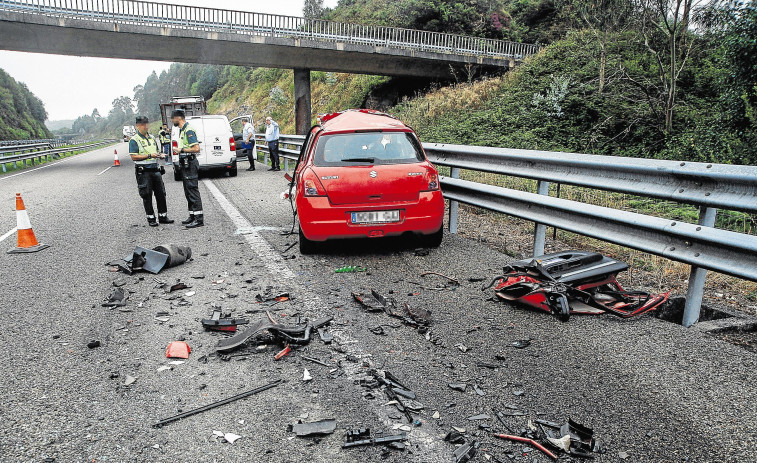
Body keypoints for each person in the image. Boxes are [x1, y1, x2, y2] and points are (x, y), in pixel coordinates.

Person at [129, 116, 173, 227]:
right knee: (146, 195)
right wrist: (149, 155)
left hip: (155, 169)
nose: (145, 126)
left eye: (147, 124)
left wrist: (160, 155)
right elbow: (134, 157)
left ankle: (163, 216)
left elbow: (156, 151)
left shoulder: (152, 138)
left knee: (161, 194)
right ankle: (151, 218)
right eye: (143, 124)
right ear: (137, 126)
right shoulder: (134, 140)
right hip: (143, 172)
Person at [171, 109, 204, 228]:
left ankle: (199, 219)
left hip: (190, 163)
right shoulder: (182, 130)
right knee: (188, 191)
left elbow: (196, 148)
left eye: (172, 118)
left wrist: (182, 150)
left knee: (192, 190)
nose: (171, 120)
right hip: (185, 163)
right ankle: (192, 215)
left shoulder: (189, 130)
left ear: (178, 118)